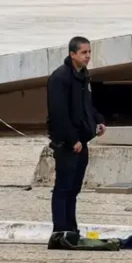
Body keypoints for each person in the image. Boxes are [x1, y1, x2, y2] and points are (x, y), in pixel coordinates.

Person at [47, 36, 106, 234]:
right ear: (72, 54)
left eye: (89, 52)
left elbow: (87, 105)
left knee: (74, 188)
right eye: (83, 52)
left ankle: (71, 228)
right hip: (67, 143)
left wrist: (98, 120)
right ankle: (60, 229)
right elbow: (59, 113)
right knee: (63, 187)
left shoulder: (84, 76)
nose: (88, 56)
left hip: (83, 141)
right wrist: (73, 139)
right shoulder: (60, 77)